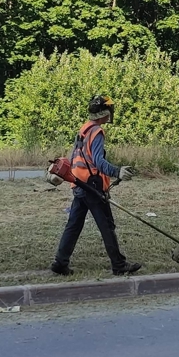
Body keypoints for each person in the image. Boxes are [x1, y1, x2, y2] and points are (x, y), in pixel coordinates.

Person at [51, 95, 141, 277]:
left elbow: (74, 157)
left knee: (74, 225)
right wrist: (117, 171)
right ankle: (119, 265)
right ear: (105, 112)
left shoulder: (84, 129)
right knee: (107, 226)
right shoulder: (97, 132)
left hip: (78, 184)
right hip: (92, 186)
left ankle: (60, 263)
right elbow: (98, 161)